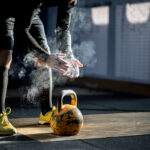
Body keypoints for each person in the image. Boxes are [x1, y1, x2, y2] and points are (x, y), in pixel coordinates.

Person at [0, 0, 83, 135]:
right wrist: (46, 58)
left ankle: (47, 111)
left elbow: (63, 27)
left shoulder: (71, 0)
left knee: (44, 51)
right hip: (6, 9)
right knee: (5, 54)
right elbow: (21, 33)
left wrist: (68, 54)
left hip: (29, 12)